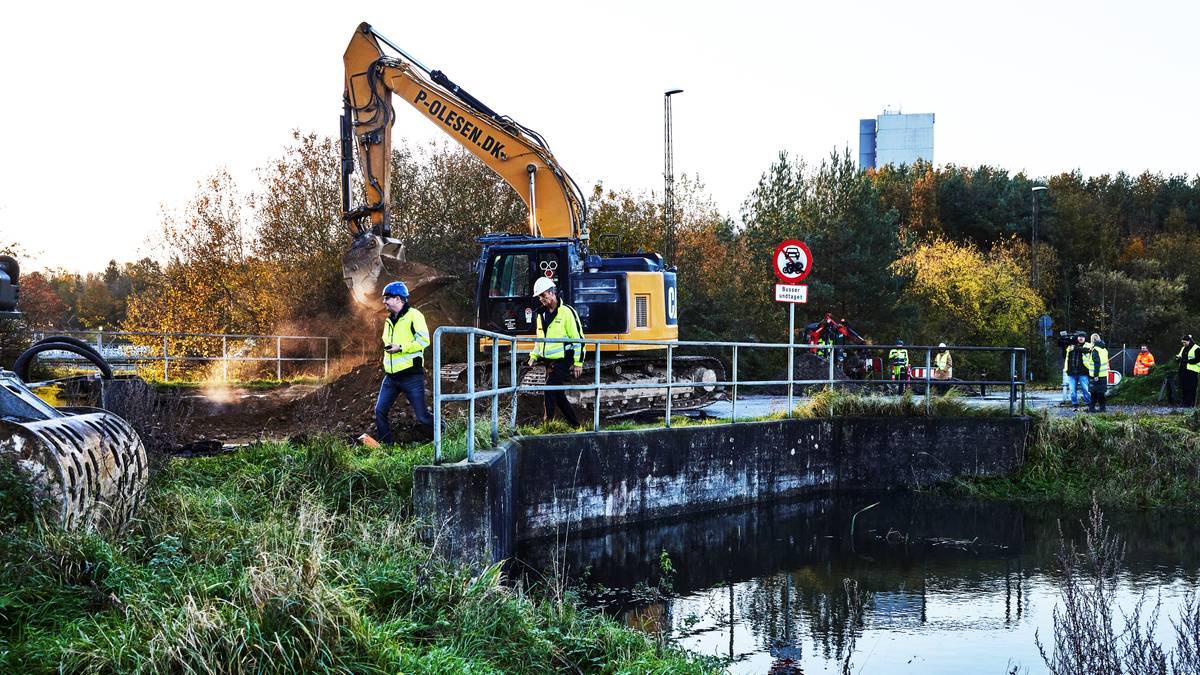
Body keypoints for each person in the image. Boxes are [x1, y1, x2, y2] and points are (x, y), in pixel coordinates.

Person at [373, 281, 433, 444]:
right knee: (379, 411)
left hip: (411, 376)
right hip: (391, 377)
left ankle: (444, 434)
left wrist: (401, 348)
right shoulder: (388, 320)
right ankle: (387, 447)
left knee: (422, 416)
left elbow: (424, 341)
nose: (384, 301)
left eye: (387, 298)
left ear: (399, 299)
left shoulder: (415, 315)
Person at [528, 277, 585, 426]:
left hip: (563, 359)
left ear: (552, 293)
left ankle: (548, 425)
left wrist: (578, 363)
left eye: (543, 295)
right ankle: (575, 425)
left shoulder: (567, 312)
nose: (541, 299)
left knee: (550, 388)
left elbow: (578, 339)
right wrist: (533, 356)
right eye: (540, 296)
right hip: (548, 361)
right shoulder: (540, 315)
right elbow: (540, 340)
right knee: (558, 395)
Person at [1064, 333, 1093, 411]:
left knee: (1085, 389)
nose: (1081, 338)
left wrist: (1076, 348)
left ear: (1085, 338)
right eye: (1080, 337)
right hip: (1071, 372)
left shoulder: (1088, 345)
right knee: (1072, 391)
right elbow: (1066, 356)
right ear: (1077, 338)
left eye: (1083, 337)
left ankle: (1089, 405)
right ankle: (1075, 406)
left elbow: (1087, 351)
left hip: (1083, 372)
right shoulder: (1070, 346)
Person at [1087, 333, 1109, 413]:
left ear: (1092, 340)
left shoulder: (1095, 350)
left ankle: (1092, 408)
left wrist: (1095, 375)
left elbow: (1097, 363)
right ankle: (1102, 408)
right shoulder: (1104, 349)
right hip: (1103, 374)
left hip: (1096, 375)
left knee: (1094, 392)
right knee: (1101, 393)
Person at [1177, 335, 1200, 408]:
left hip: (1192, 371)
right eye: (1182, 342)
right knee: (1183, 387)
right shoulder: (1183, 348)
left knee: (1191, 388)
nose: (1183, 344)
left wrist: (1188, 361)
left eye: (1185, 342)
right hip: (1183, 370)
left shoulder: (1197, 348)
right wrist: (1177, 358)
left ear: (1189, 341)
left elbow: (1198, 359)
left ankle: (1190, 403)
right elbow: (1179, 355)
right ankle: (1184, 403)